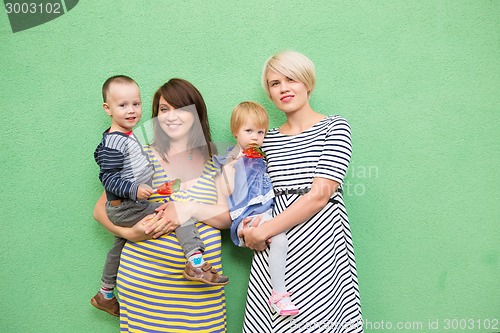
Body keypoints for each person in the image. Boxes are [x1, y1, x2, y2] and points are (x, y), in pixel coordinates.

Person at [93, 78, 231, 332]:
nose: (171, 117)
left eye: (180, 108)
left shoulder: (217, 159)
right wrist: (128, 233)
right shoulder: (139, 155)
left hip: (201, 297)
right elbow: (101, 209)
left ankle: (196, 263)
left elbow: (226, 217)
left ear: (196, 112)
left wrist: (187, 208)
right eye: (163, 110)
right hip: (145, 292)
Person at [239, 51, 364, 332]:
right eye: (274, 83)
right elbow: (250, 190)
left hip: (318, 245)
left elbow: (320, 194)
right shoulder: (265, 138)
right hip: (274, 250)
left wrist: (265, 229)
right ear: (269, 94)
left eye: (291, 79)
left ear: (307, 82)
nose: (283, 88)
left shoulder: (334, 127)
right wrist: (247, 227)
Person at [214, 101, 299, 316]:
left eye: (260, 132)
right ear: (236, 132)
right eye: (248, 131)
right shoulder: (231, 160)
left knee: (282, 241)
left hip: (265, 212)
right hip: (246, 215)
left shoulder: (261, 158)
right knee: (279, 239)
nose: (255, 137)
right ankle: (279, 294)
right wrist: (233, 165)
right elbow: (226, 189)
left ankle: (279, 292)